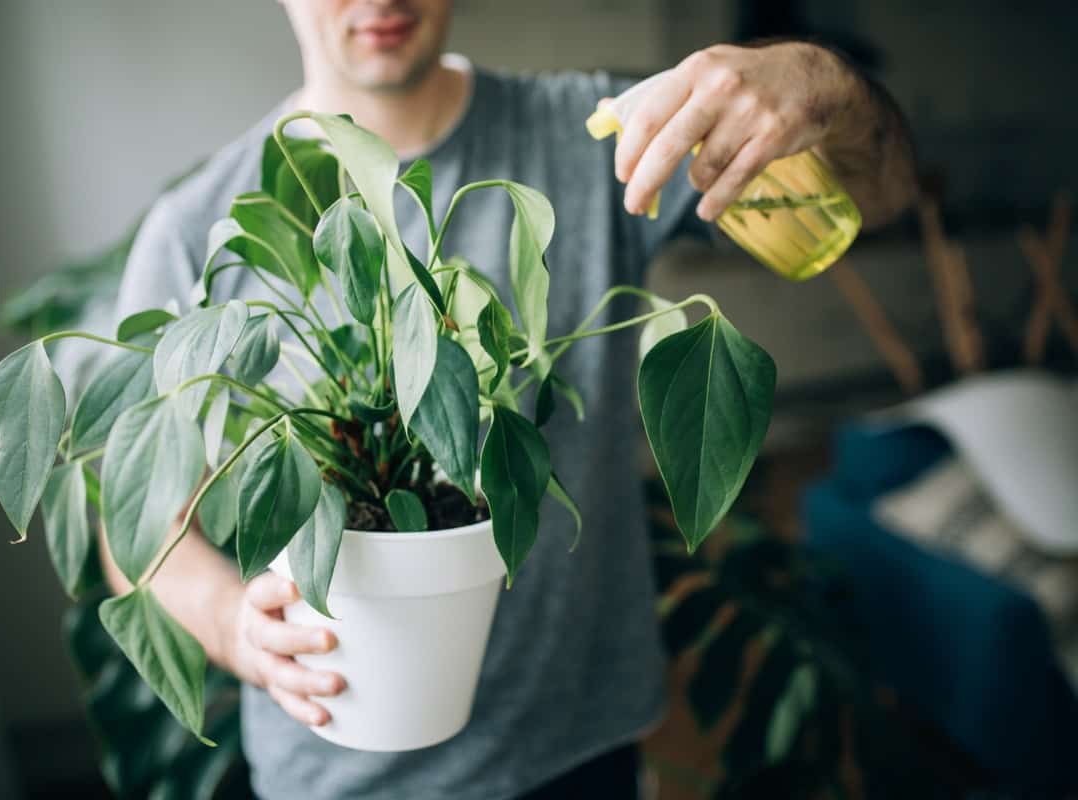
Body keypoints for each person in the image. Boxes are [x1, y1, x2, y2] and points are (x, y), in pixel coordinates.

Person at [106, 1, 916, 797]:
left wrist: (821, 85)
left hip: (576, 745)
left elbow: (879, 203)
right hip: (338, 760)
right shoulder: (206, 231)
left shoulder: (594, 134)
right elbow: (136, 521)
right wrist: (228, 625)